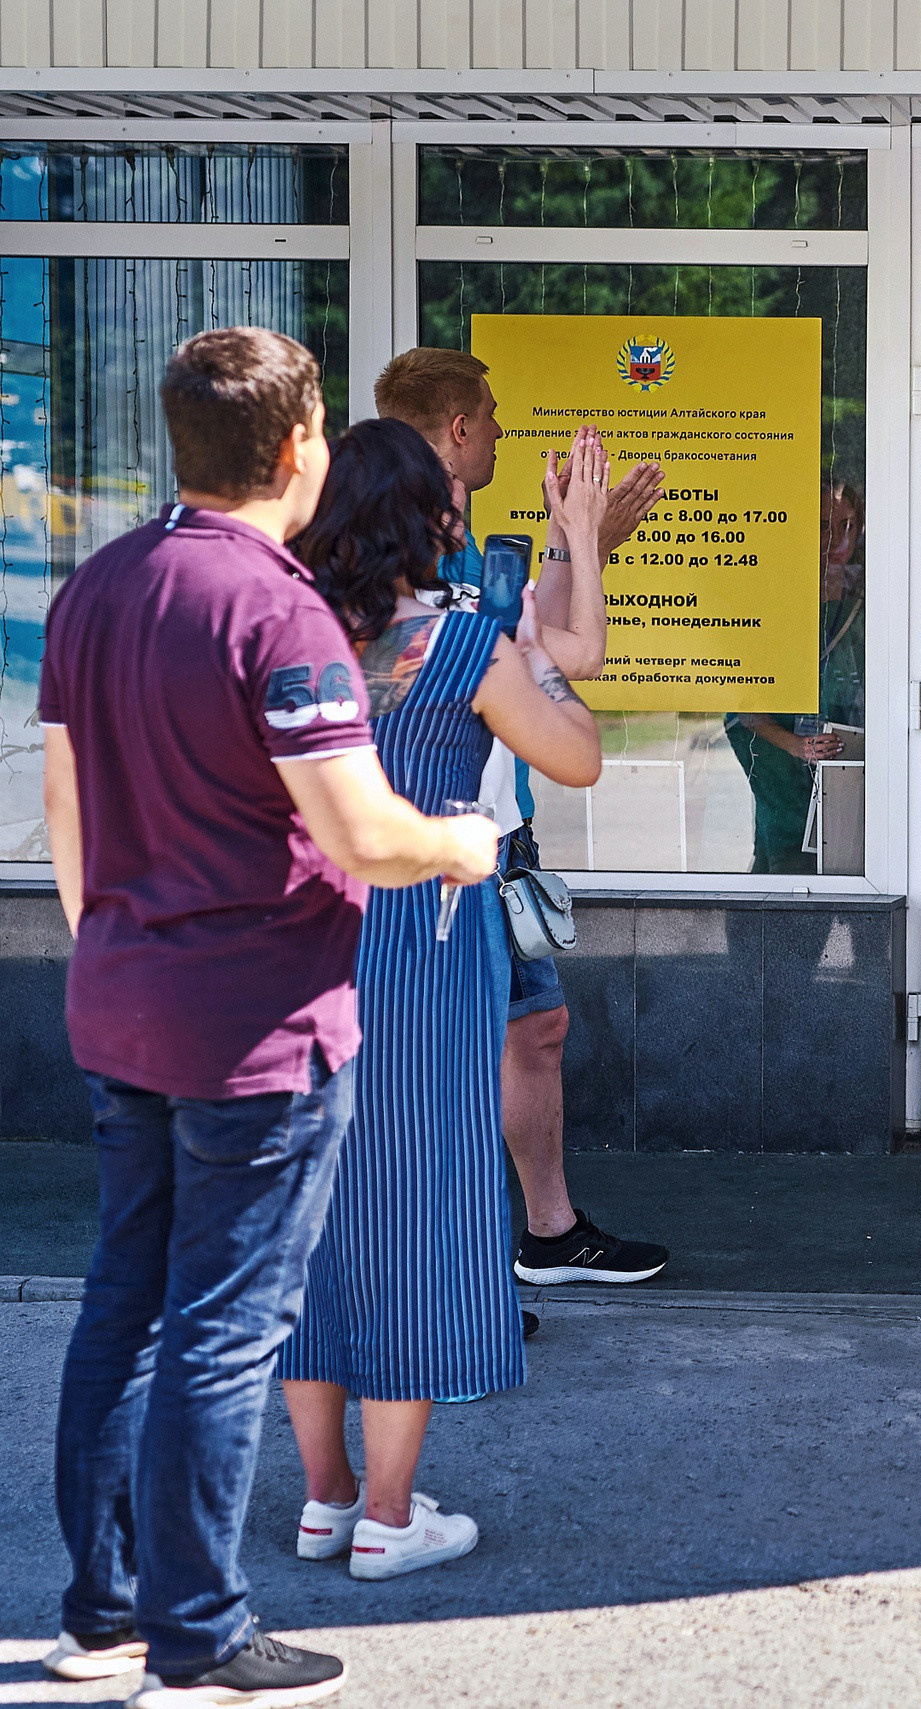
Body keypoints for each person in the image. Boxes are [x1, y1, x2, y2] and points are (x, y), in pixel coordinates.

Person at [41, 327, 497, 1706]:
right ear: (299, 449)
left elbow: (65, 823)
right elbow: (362, 836)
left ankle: (102, 1613)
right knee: (226, 1329)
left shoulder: (98, 589)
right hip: (259, 1032)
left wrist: (124, 951)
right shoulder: (279, 613)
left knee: (123, 1312)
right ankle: (199, 1627)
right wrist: (464, 844)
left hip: (120, 1009)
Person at [276, 418, 605, 1580]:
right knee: (419, 1205)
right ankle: (389, 1513)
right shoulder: (461, 645)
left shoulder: (282, 640)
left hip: (297, 944)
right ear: (436, 518)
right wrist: (537, 641)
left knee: (308, 1217)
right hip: (425, 938)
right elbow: (574, 756)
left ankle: (322, 1499)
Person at [373, 348, 670, 1287]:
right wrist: (580, 538)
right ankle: (432, 1285)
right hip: (443, 851)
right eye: (491, 415)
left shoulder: (453, 541)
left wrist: (580, 544)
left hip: (498, 833)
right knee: (435, 1066)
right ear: (458, 428)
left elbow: (526, 640)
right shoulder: (404, 542)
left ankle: (545, 1232)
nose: (500, 429)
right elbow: (562, 661)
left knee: (533, 1032)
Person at [727, 476, 868, 871]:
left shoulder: (870, 596)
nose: (839, 539)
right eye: (825, 525)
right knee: (786, 870)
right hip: (782, 769)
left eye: (848, 526)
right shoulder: (775, 598)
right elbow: (741, 704)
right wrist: (795, 746)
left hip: (849, 763)